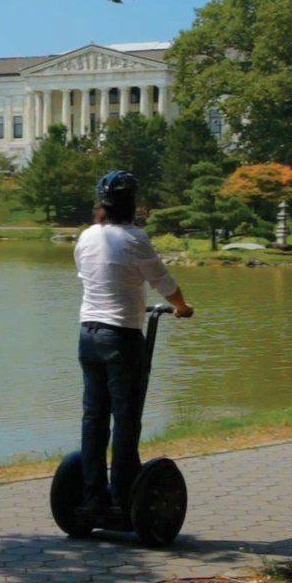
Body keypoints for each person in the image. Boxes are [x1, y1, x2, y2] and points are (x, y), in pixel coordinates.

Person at [73, 171, 193, 527]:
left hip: (88, 335)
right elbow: (162, 282)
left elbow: (90, 276)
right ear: (132, 205)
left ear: (101, 204)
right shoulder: (134, 238)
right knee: (126, 416)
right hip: (121, 337)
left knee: (94, 417)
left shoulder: (86, 236)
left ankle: (93, 497)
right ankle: (123, 495)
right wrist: (181, 306)